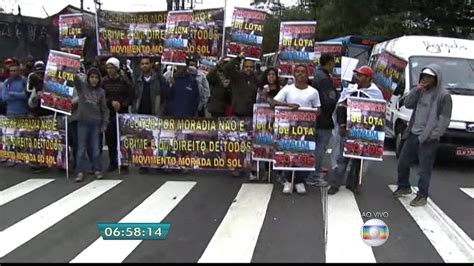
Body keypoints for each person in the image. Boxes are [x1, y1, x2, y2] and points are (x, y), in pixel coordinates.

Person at [393, 65, 452, 207]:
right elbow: (407, 104)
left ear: (436, 79)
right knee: (403, 162)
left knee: (424, 168)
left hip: (428, 137)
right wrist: (416, 90)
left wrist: (433, 135)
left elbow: (444, 120)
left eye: (430, 77)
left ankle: (422, 195)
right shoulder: (420, 91)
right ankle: (404, 186)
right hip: (413, 133)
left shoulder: (444, 96)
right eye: (424, 76)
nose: (426, 79)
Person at [328, 66, 384, 195]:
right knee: (342, 158)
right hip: (348, 130)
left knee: (359, 160)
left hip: (365, 132)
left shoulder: (376, 93)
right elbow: (341, 106)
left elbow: (379, 113)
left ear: (368, 78)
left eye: (360, 75)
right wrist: (342, 125)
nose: (357, 78)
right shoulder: (350, 90)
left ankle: (352, 184)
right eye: (356, 75)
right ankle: (335, 184)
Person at [272, 64, 322, 194]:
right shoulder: (287, 89)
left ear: (307, 74)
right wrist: (288, 105)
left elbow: (318, 110)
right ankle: (288, 180)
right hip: (288, 128)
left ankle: (300, 181)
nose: (300, 74)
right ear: (293, 74)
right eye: (298, 72)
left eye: (303, 72)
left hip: (306, 129)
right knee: (288, 153)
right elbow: (273, 102)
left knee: (303, 154)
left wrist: (308, 116)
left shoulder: (313, 91)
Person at [223, 55, 259, 178]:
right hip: (237, 116)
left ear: (254, 68)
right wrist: (238, 58)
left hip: (251, 116)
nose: (249, 69)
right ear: (243, 67)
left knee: (249, 144)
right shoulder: (236, 77)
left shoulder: (257, 80)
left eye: (251, 67)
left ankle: (250, 167)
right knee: (236, 143)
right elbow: (227, 68)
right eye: (247, 66)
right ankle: (236, 167)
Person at [307, 54, 339, 187]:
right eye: (333, 63)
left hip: (319, 117)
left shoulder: (318, 74)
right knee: (320, 148)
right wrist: (336, 96)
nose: (334, 67)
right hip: (324, 118)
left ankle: (315, 171)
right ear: (330, 63)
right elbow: (328, 99)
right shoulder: (323, 77)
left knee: (318, 147)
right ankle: (313, 176)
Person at [74, 67, 109, 182]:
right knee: (81, 148)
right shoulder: (82, 88)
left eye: (96, 78)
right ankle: (79, 171)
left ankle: (97, 169)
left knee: (95, 148)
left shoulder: (101, 92)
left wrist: (104, 124)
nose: (94, 80)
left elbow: (104, 109)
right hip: (83, 122)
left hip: (96, 124)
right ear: (88, 78)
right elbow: (74, 79)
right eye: (92, 77)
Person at [102, 57, 134, 173]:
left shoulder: (124, 81)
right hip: (109, 113)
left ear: (116, 68)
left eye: (111, 68)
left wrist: (122, 104)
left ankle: (124, 163)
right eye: (108, 68)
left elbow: (131, 96)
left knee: (123, 139)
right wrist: (110, 102)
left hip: (122, 114)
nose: (109, 70)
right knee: (111, 140)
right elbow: (100, 96)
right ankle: (113, 162)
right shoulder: (103, 81)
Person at [133, 57, 162, 174]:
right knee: (143, 140)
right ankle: (144, 164)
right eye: (142, 64)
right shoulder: (137, 80)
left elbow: (164, 95)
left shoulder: (158, 79)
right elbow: (133, 96)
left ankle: (157, 162)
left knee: (155, 139)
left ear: (150, 65)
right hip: (141, 114)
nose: (144, 66)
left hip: (154, 113)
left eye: (147, 63)